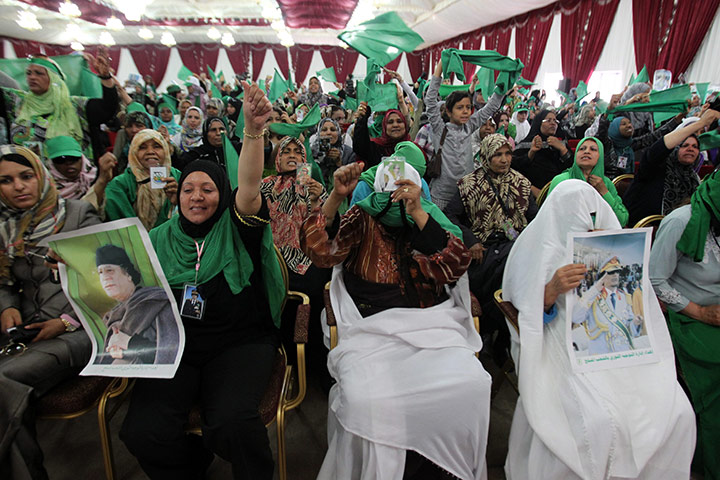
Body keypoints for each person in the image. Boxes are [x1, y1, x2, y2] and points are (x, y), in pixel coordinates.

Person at [120, 82, 285, 479]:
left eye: (208, 189)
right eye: (189, 189)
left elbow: (249, 186)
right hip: (176, 347)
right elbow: (124, 292)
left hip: (239, 343)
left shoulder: (237, 225)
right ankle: (192, 465)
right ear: (177, 198)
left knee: (232, 423)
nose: (197, 196)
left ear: (222, 195)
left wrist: (252, 131)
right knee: (142, 432)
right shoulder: (157, 240)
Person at [302, 142, 492, 480]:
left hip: (431, 324)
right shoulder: (363, 216)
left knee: (472, 383)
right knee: (368, 399)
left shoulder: (428, 217)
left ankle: (441, 468)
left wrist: (419, 213)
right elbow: (321, 254)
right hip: (373, 326)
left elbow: (455, 266)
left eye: (405, 185)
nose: (396, 193)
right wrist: (335, 197)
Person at [503, 179, 695, 480]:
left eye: (592, 215)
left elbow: (640, 309)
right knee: (595, 420)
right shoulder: (533, 247)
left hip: (621, 350)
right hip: (561, 345)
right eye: (574, 215)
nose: (585, 223)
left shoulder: (614, 250)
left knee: (677, 412)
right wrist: (551, 290)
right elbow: (519, 310)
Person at [0, 145, 101, 479]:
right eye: (6, 180)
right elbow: (4, 282)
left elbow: (107, 283)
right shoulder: (6, 228)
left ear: (40, 176)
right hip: (25, 331)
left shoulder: (76, 215)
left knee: (3, 380)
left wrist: (66, 321)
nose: (18, 187)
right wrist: (9, 307)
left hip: (80, 328)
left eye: (26, 176)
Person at [649, 170, 720, 479]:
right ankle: (707, 460)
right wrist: (699, 313)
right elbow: (654, 279)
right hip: (689, 315)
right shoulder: (681, 221)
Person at [445, 133, 536, 361]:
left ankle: (486, 331)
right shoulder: (469, 185)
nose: (504, 159)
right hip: (482, 249)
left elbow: (535, 219)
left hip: (515, 247)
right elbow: (450, 216)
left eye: (507, 154)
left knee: (508, 269)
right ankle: (501, 337)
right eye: (497, 154)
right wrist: (470, 240)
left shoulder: (522, 184)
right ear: (485, 156)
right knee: (504, 275)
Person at [0, 54, 118, 159]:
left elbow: (107, 109)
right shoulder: (16, 101)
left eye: (39, 73)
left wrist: (105, 77)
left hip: (72, 180)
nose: (32, 77)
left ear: (53, 78)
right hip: (27, 178)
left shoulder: (76, 106)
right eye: (29, 73)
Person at [425, 60, 504, 210]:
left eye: (468, 107)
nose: (466, 111)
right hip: (441, 195)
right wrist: (440, 68)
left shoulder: (469, 126)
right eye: (460, 108)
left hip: (465, 193)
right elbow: (430, 101)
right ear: (448, 111)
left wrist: (502, 86)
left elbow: (491, 107)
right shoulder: (440, 128)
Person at [624, 108, 720, 225]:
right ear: (675, 147)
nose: (691, 149)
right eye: (685, 145)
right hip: (646, 229)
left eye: (695, 147)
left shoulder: (693, 178)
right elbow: (660, 147)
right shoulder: (655, 166)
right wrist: (701, 123)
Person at [94, 244, 179, 365]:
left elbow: (170, 354)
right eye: (100, 273)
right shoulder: (112, 316)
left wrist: (130, 344)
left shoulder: (155, 301)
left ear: (128, 274)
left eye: (109, 270)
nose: (105, 277)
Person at [105, 129, 180, 230]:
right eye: (142, 148)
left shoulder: (177, 177)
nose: (150, 152)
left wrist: (179, 199)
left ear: (166, 150)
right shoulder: (121, 184)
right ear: (134, 152)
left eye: (157, 146)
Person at [548, 136, 629, 226]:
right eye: (582, 149)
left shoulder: (605, 183)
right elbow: (549, 218)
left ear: (600, 156)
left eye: (593, 149)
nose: (586, 151)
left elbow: (622, 220)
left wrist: (604, 192)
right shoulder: (562, 180)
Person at [571, 257, 643, 354]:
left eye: (617, 272)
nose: (615, 275)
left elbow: (628, 329)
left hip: (622, 353)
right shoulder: (592, 298)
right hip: (601, 355)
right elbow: (575, 317)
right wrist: (595, 289)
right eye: (610, 272)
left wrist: (635, 323)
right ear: (602, 276)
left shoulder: (624, 297)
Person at [44, 135, 116, 214]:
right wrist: (101, 182)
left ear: (82, 159)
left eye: (73, 158)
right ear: (52, 164)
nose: (68, 163)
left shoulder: (93, 177)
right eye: (61, 160)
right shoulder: (46, 191)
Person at [512, 109, 573, 194]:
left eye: (555, 120)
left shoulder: (561, 144)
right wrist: (531, 153)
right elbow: (515, 170)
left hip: (559, 192)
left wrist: (563, 150)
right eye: (548, 120)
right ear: (539, 123)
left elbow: (571, 169)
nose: (553, 123)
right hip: (531, 194)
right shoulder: (526, 145)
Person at [311, 118, 355, 188]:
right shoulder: (311, 152)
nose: (329, 132)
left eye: (333, 130)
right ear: (318, 133)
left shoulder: (348, 152)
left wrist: (339, 162)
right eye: (324, 130)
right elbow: (302, 180)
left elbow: (351, 181)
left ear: (338, 132)